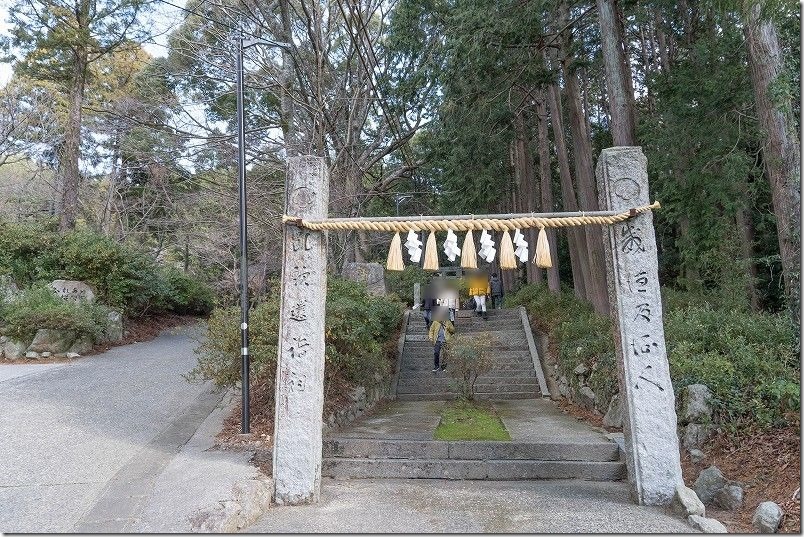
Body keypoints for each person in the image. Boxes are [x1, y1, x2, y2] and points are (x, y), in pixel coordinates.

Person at [428, 306, 454, 372]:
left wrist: (448, 327)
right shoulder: (435, 322)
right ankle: (436, 366)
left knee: (445, 354)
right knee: (436, 353)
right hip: (438, 340)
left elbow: (453, 330)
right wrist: (431, 337)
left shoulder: (448, 322)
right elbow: (431, 330)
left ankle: (443, 367)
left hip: (446, 341)